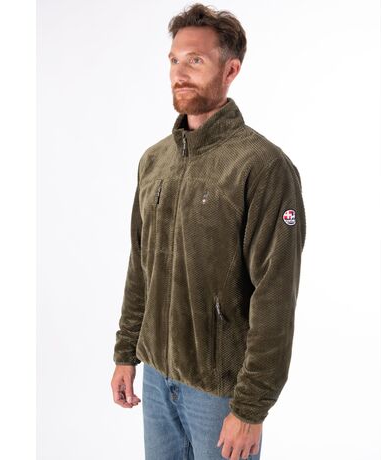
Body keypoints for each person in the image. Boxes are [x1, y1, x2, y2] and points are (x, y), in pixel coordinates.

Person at [110, 3, 306, 459]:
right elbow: (140, 266)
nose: (179, 73)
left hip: (220, 393)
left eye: (195, 60)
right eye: (174, 60)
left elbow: (275, 295)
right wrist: (125, 352)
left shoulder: (262, 166)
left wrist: (251, 408)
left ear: (230, 70)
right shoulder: (154, 160)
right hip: (156, 379)